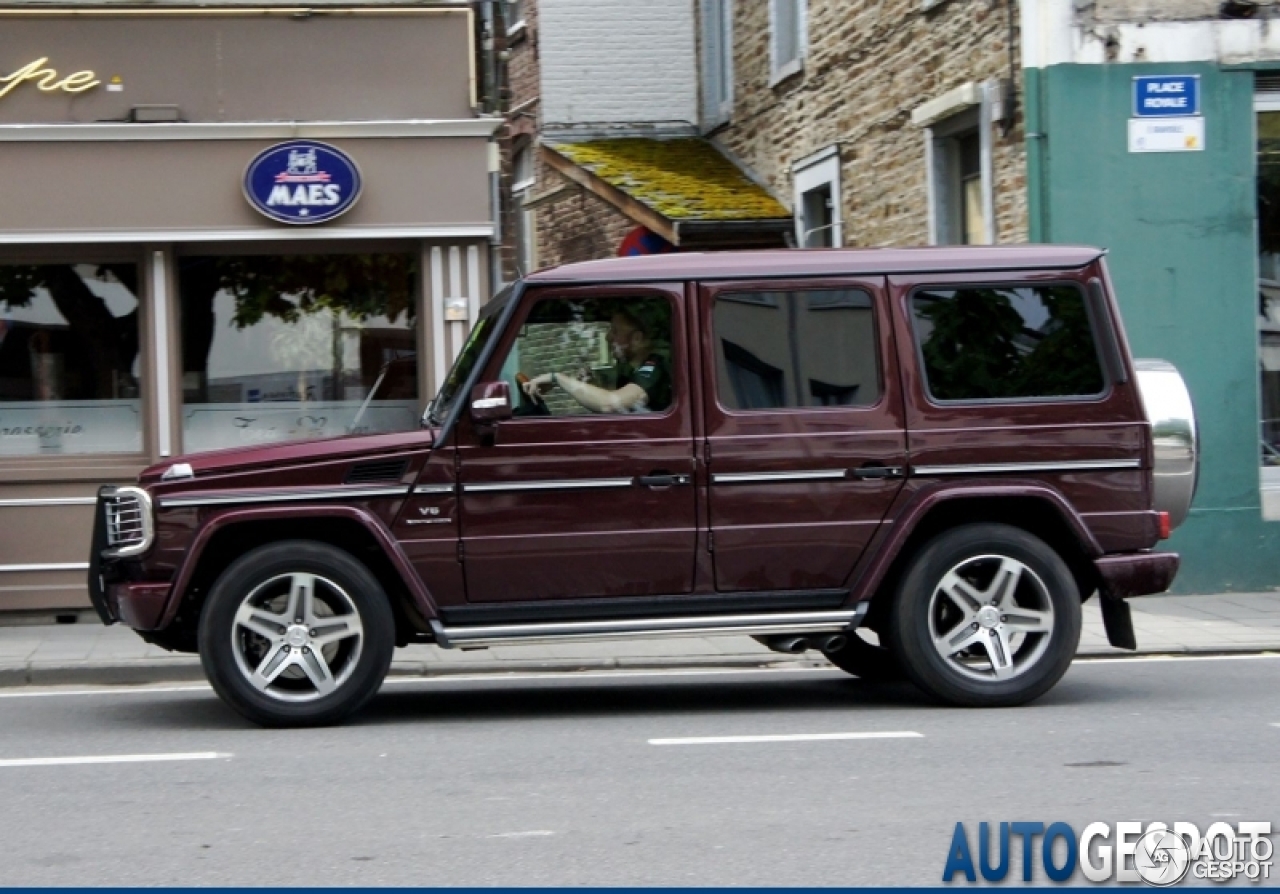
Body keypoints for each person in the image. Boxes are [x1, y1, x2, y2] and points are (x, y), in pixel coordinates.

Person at [523, 307, 671, 413]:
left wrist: (558, 378)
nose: (608, 337)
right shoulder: (630, 369)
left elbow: (612, 404)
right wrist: (592, 386)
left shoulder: (654, 368)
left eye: (615, 331)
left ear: (637, 338)